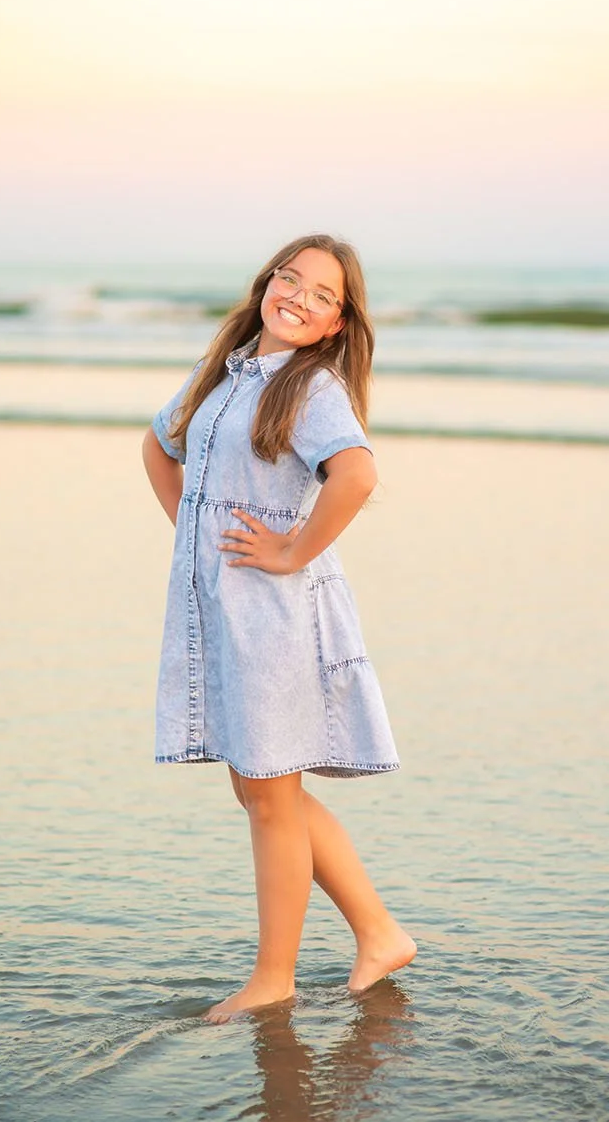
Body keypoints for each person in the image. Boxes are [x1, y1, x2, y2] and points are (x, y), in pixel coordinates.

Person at [140, 233, 418, 1022]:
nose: (298, 295)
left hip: (279, 614)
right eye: (289, 277)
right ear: (266, 283)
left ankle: (275, 978)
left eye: (321, 293)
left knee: (269, 794)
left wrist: (292, 550)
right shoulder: (223, 373)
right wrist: (192, 537)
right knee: (264, 789)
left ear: (336, 322)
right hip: (232, 606)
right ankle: (378, 931)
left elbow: (357, 475)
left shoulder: (312, 387)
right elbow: (159, 449)